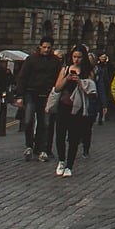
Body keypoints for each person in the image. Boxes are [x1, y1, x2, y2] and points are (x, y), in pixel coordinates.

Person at [46, 46, 98, 178]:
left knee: (74, 138)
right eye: (74, 57)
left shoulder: (88, 72)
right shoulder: (65, 69)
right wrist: (66, 79)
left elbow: (91, 90)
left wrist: (80, 82)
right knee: (60, 135)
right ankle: (61, 161)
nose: (76, 60)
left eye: (79, 57)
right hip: (64, 105)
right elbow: (57, 88)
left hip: (78, 108)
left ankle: (69, 165)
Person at [16, 39, 61, 161]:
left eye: (49, 48)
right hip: (31, 92)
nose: (46, 50)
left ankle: (42, 149)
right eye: (44, 47)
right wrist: (19, 96)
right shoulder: (31, 59)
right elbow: (22, 77)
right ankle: (29, 145)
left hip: (47, 94)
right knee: (28, 120)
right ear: (40, 47)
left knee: (45, 123)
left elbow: (58, 78)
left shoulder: (55, 61)